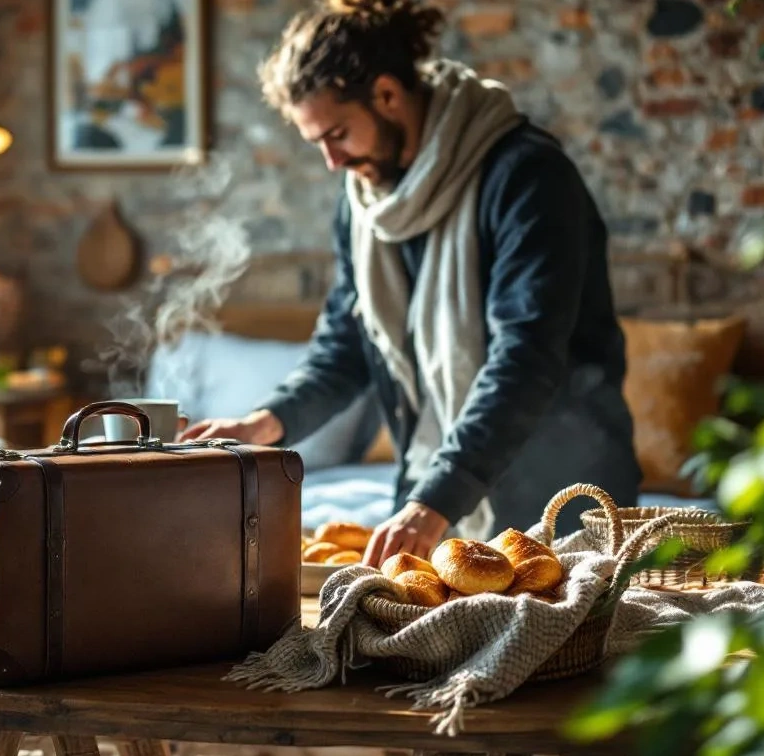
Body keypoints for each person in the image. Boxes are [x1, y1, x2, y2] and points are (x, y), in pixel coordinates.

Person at [179, 0, 642, 567]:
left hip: (562, 498)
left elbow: (525, 359)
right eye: (317, 143)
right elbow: (346, 348)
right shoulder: (365, 205)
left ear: (387, 95)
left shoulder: (528, 178)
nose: (331, 161)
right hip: (435, 493)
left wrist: (436, 499)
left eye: (338, 134)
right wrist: (266, 422)